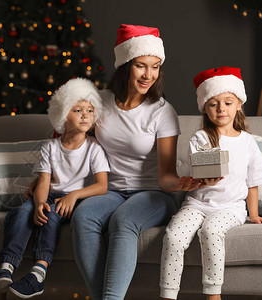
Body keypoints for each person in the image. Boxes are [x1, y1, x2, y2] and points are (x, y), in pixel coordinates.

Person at [70, 24, 202, 300]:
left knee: (123, 221)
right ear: (125, 65)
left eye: (155, 67)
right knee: (83, 216)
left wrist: (182, 184)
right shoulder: (100, 102)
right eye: (141, 66)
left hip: (153, 193)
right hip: (110, 190)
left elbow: (166, 176)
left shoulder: (163, 112)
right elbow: (73, 139)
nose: (149, 75)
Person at [159, 66, 262, 300]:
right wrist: (203, 180)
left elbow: (253, 182)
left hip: (230, 207)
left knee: (211, 231)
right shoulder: (201, 138)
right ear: (205, 108)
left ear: (238, 104)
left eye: (227, 102)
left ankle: (213, 294)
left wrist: (253, 215)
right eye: (214, 104)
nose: (221, 108)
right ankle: (168, 294)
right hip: (197, 204)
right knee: (173, 236)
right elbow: (200, 173)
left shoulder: (247, 142)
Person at [0, 78, 110, 298]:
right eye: (77, 110)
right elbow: (44, 181)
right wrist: (38, 204)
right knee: (21, 212)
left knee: (51, 216)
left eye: (90, 110)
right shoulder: (51, 147)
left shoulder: (94, 149)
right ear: (62, 114)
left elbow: (102, 186)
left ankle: (39, 272)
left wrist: (74, 195)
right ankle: (7, 266)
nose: (85, 115)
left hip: (73, 199)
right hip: (48, 194)